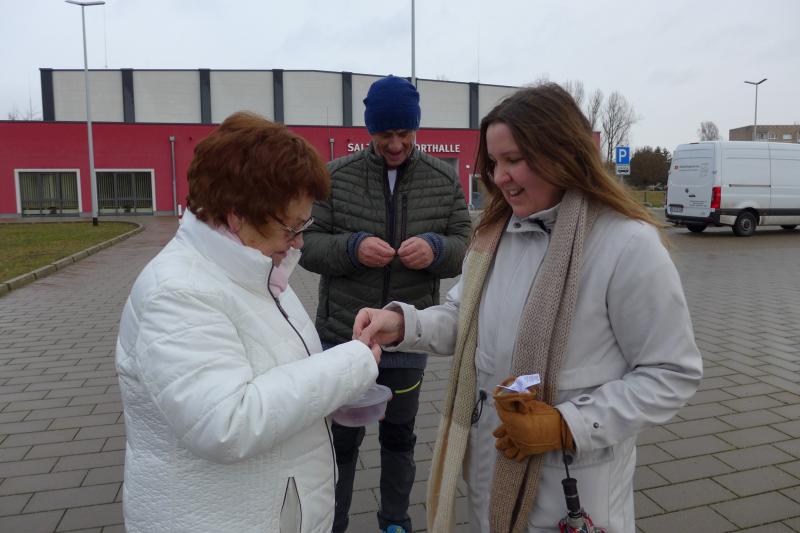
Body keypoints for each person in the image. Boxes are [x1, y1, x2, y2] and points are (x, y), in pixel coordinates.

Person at [353, 84, 703, 533]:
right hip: (491, 470)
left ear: (562, 153)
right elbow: (464, 318)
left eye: (514, 160)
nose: (500, 177)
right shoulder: (496, 233)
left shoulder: (625, 244)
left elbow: (672, 372)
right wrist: (403, 323)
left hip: (571, 488)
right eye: (494, 163)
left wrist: (568, 425)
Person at [115, 112, 381, 533]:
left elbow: (280, 379)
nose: (298, 241)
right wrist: (350, 366)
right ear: (237, 214)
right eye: (291, 227)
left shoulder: (255, 271)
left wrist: (334, 386)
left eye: (304, 225)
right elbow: (226, 423)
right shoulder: (178, 292)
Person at [299, 75, 471, 533]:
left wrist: (436, 249)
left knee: (399, 436)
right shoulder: (336, 176)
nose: (395, 144)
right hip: (345, 337)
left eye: (404, 133)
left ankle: (394, 521)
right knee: (341, 442)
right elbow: (307, 245)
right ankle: (332, 523)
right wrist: (352, 247)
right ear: (370, 130)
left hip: (407, 337)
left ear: (416, 128)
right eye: (385, 134)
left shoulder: (443, 178)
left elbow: (465, 244)